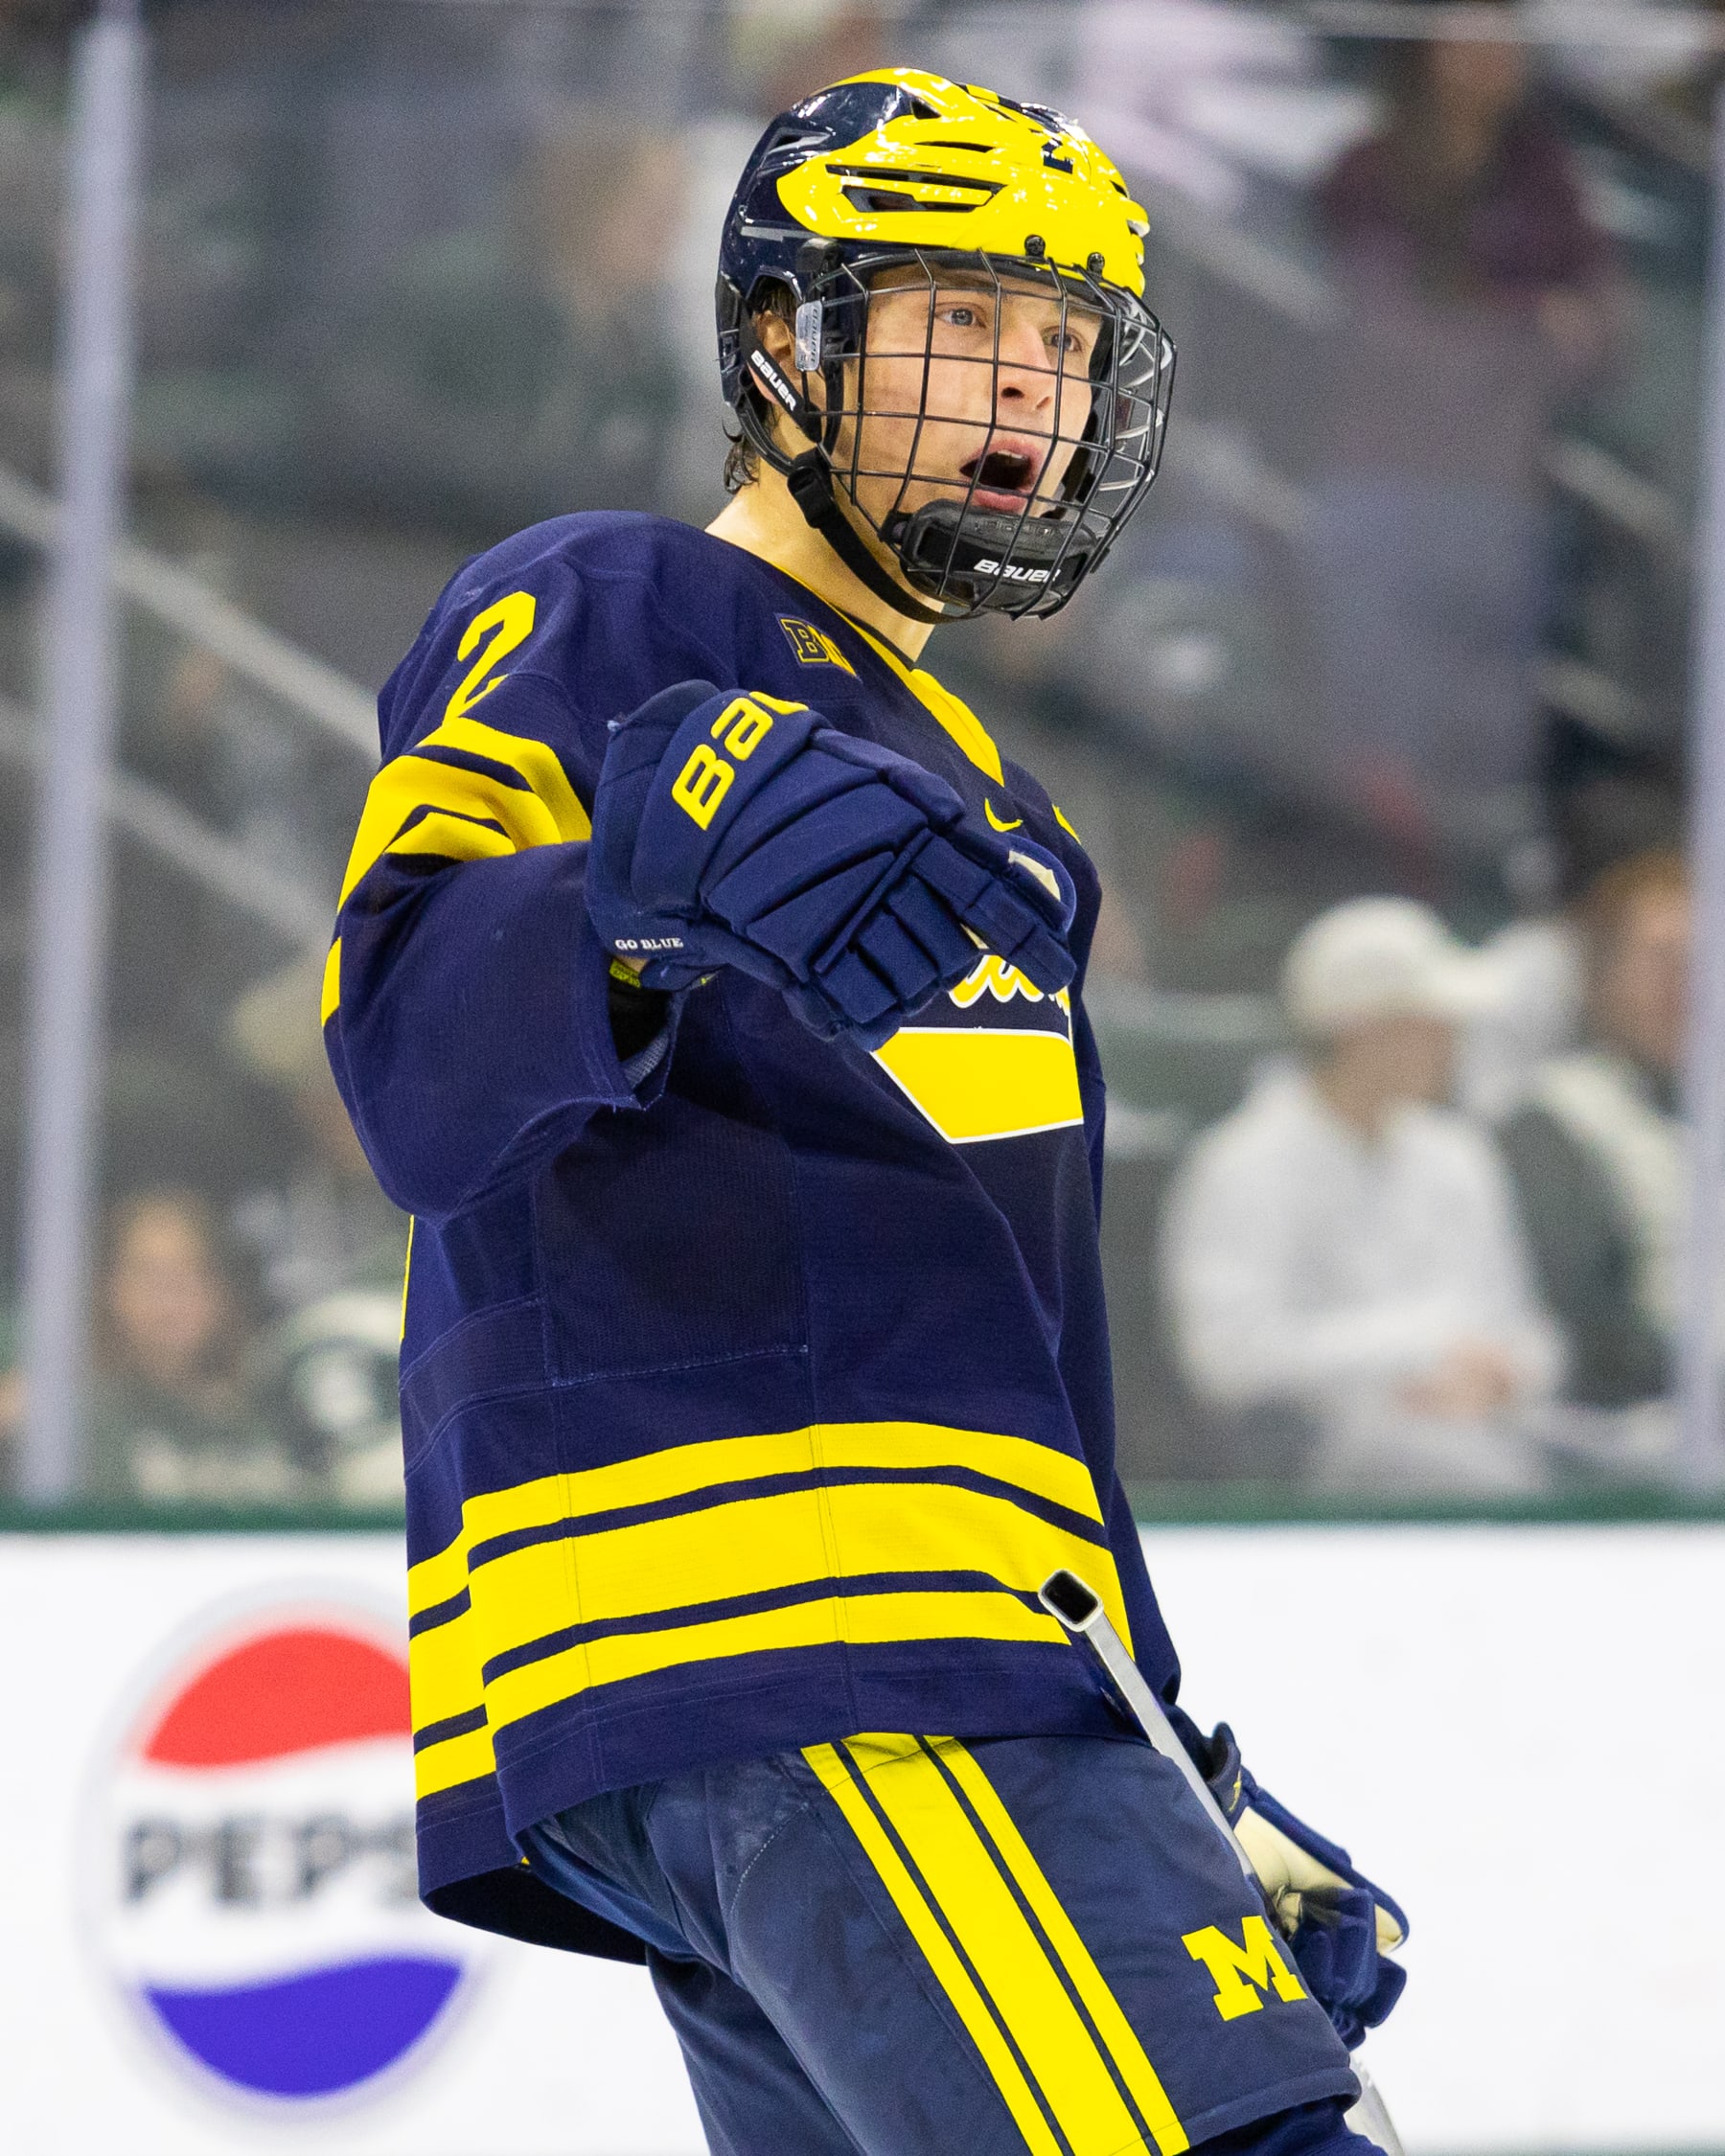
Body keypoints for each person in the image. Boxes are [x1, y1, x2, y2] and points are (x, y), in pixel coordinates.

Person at [327, 70, 1406, 2156]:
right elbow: (408, 1063)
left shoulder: (1006, 818)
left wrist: (1174, 1763)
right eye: (969, 322)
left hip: (907, 1659)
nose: (1032, 388)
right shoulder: (613, 607)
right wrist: (632, 881)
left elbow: (1020, 1361)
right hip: (811, 1632)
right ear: (779, 346)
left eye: (1070, 343)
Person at [1162, 898, 1563, 1496]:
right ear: (1361, 1031)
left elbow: (1523, 1328)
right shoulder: (1242, 1164)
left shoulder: (1459, 1155)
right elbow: (1227, 1357)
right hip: (1323, 1484)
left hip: (1487, 1441)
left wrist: (1503, 1377)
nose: (1449, 1045)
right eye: (1428, 1025)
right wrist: (1415, 1357)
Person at [1496, 849, 1689, 1410]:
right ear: (1602, 975)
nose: (1688, 985)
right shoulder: (1553, 1119)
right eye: (1663, 960)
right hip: (1646, 1429)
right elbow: (1593, 1335)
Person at [82, 1189, 294, 1508]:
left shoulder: (273, 1414)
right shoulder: (75, 1419)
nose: (171, 1295)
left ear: (221, 1291)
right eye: (149, 1274)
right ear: (108, 1289)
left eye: (191, 1272)